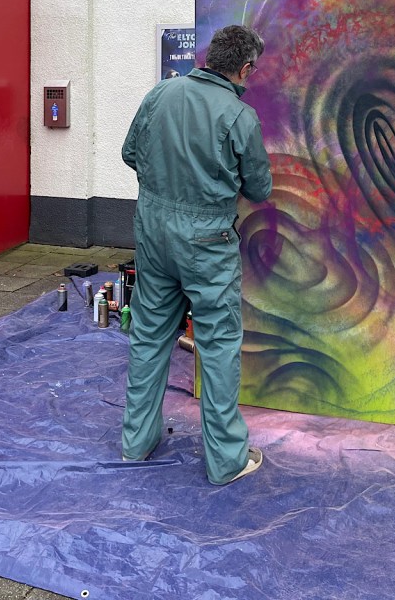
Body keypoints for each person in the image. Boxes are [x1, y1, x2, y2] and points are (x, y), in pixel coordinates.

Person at [121, 24, 272, 484]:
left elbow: (131, 154)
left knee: (148, 335)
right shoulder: (239, 116)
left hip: (153, 231)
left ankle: (136, 442)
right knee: (219, 345)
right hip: (207, 241)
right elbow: (260, 189)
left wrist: (166, 191)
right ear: (243, 69)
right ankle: (226, 460)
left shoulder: (159, 94)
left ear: (209, 57)